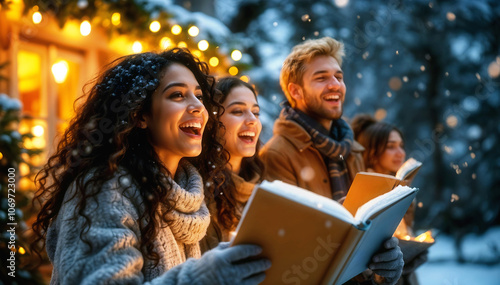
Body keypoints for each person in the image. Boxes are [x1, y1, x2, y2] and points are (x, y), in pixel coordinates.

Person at [30, 48, 270, 284]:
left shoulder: (188, 199)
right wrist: (204, 276)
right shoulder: (104, 191)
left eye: (198, 95)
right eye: (177, 95)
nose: (197, 106)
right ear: (140, 115)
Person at [259, 37, 404, 285]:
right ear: (296, 91)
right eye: (321, 77)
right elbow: (287, 249)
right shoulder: (277, 155)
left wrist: (386, 259)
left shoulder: (353, 149)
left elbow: (366, 229)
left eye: (338, 76)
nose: (335, 85)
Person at [351, 114, 428, 285]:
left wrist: (416, 248)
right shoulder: (362, 192)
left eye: (401, 145)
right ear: (371, 152)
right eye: (391, 147)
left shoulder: (400, 186)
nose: (400, 153)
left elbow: (403, 233)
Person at [199, 77, 264, 253]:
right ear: (213, 122)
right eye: (238, 111)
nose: (252, 120)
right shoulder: (200, 194)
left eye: (256, 112)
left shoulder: (261, 187)